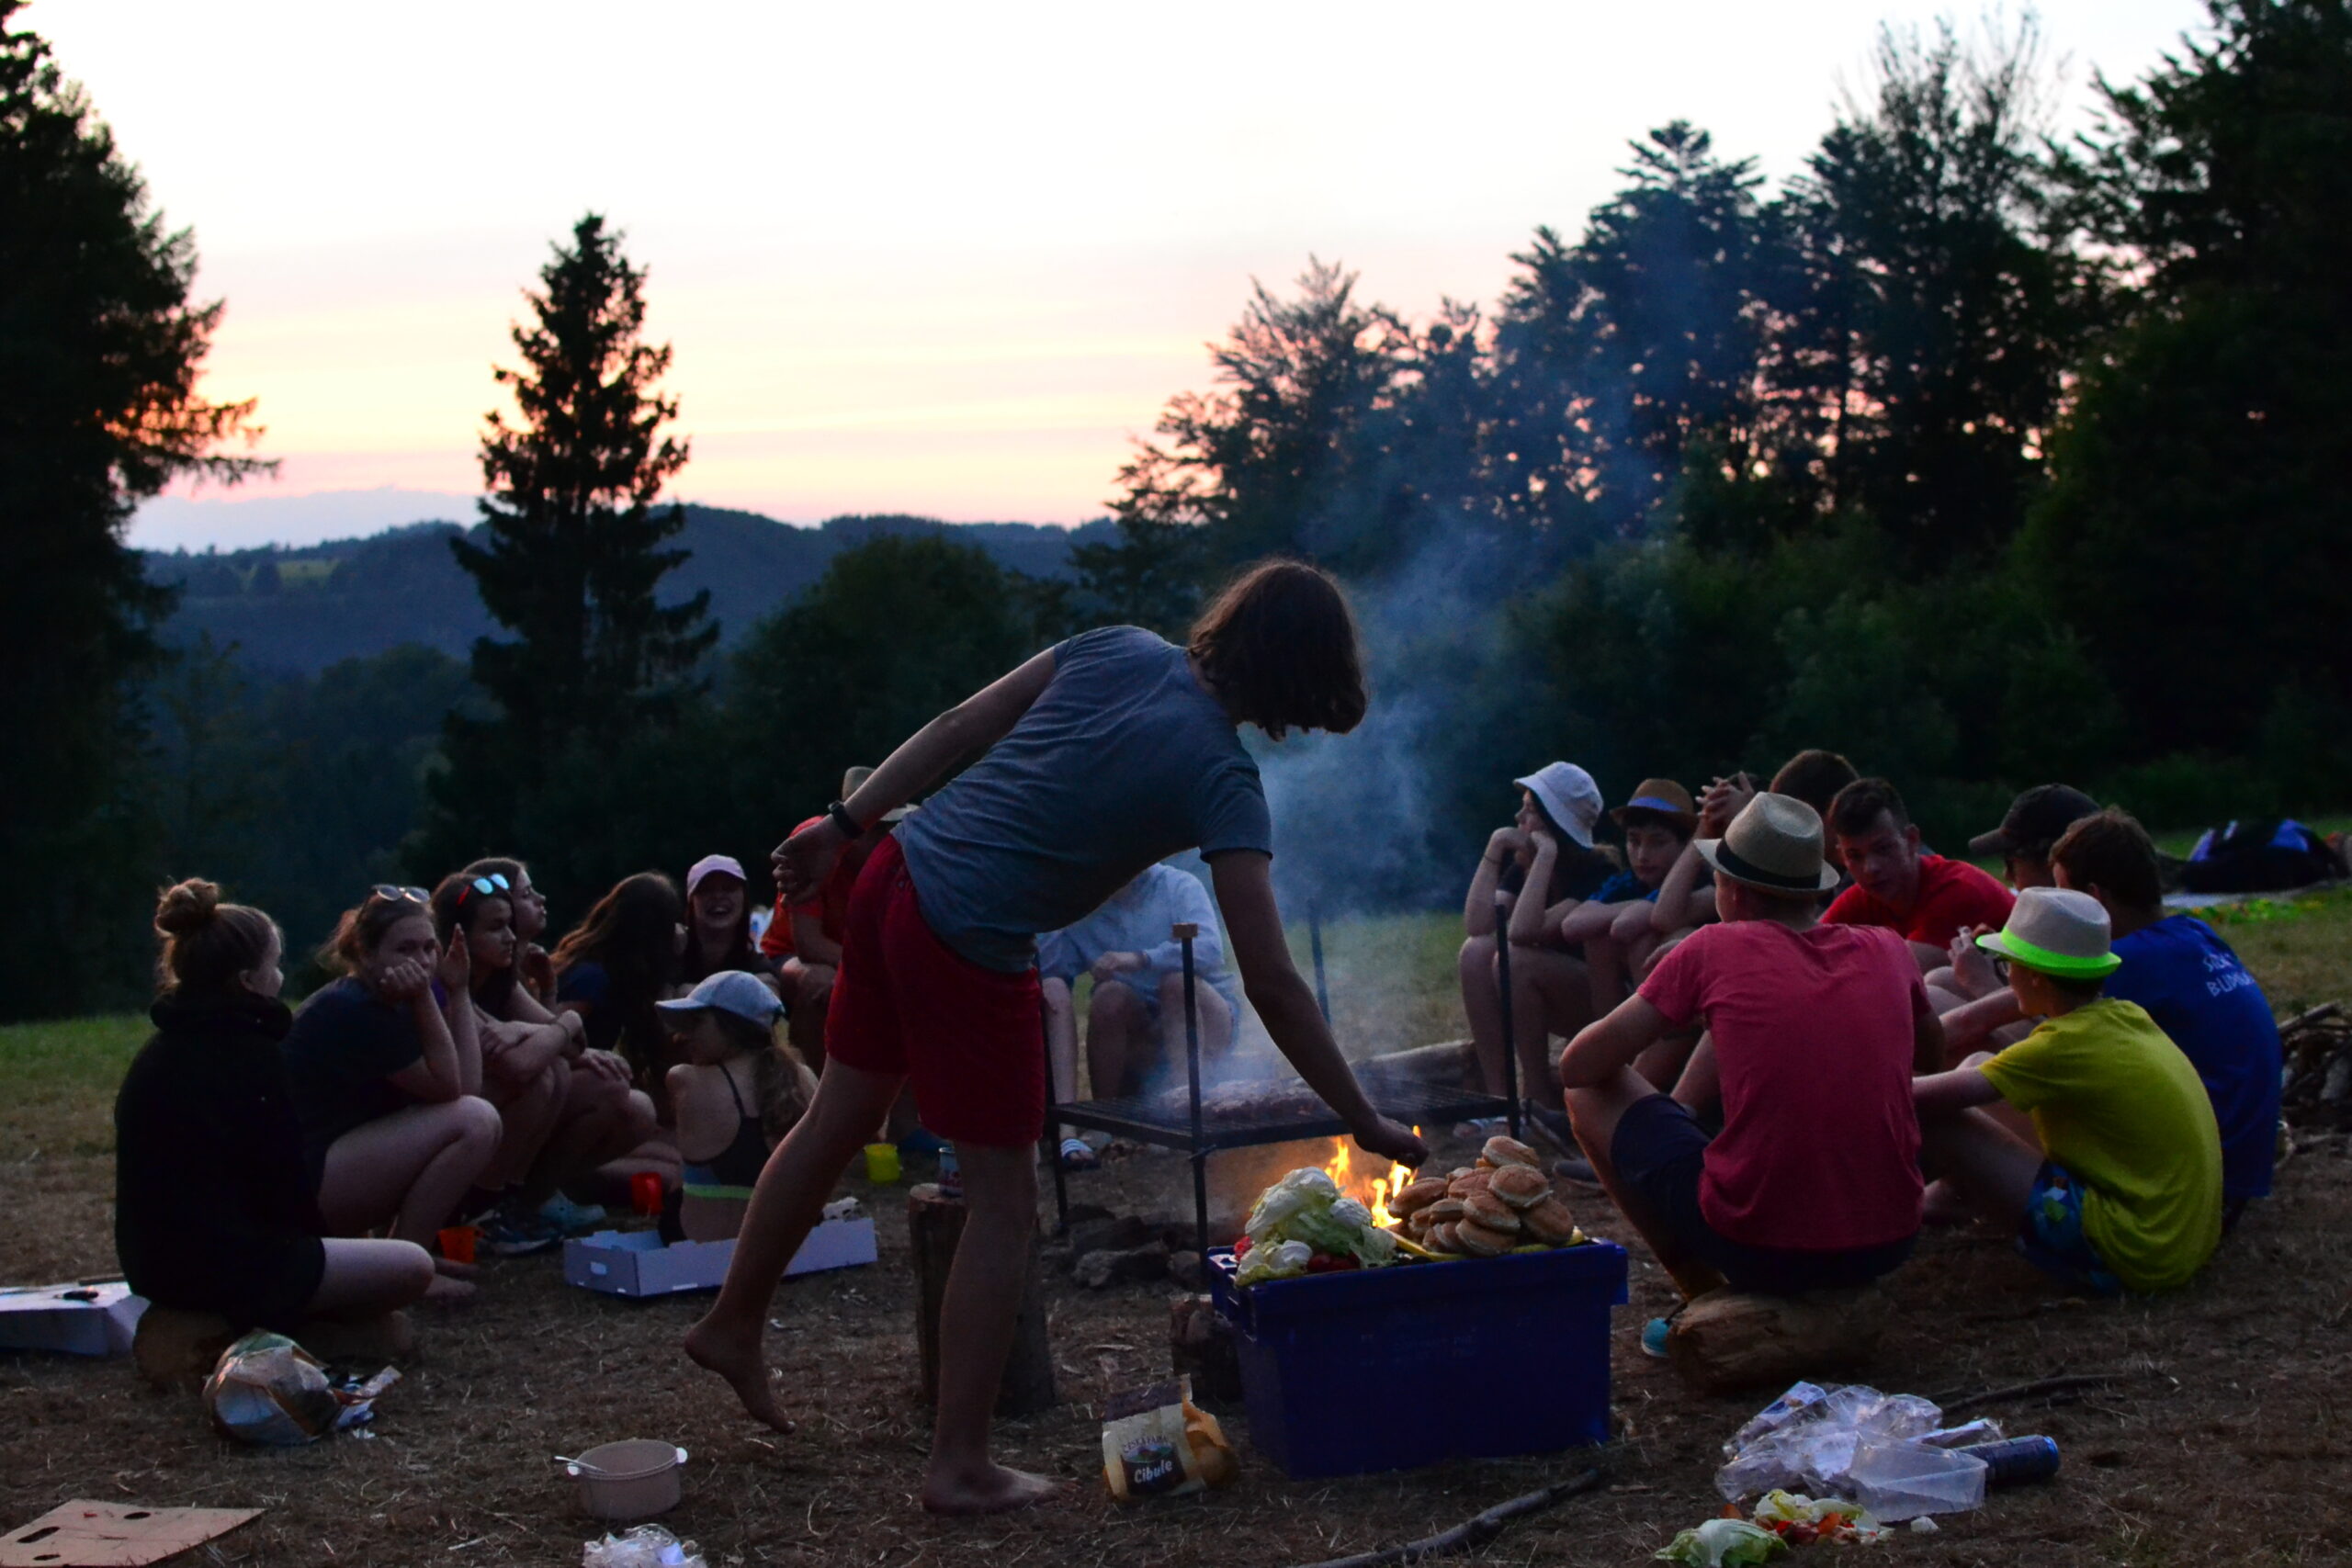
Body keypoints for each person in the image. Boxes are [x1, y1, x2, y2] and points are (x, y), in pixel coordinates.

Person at [684, 559, 1427, 1516]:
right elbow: (1274, 983)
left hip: (894, 872)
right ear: (1299, 676)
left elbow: (958, 726)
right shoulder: (1223, 775)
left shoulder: (1117, 646)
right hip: (966, 937)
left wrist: (844, 825)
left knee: (836, 1119)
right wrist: (1359, 1114)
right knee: (1005, 1206)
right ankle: (959, 1465)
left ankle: (733, 1321)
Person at [1559, 794, 1936, 1340]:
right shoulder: (1888, 949)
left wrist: (1672, 998)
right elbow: (1931, 1055)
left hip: (1761, 1245)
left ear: (1731, 890)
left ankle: (1700, 1291)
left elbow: (1578, 1066)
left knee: (1588, 1095)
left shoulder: (1711, 949)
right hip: (1891, 1238)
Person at [117, 880, 446, 1328]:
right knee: (410, 1266)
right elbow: (280, 1188)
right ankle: (283, 1329)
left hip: (154, 1268)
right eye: (274, 965)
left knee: (365, 1268)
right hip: (231, 1265)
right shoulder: (250, 1058)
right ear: (247, 981)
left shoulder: (158, 1053)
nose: (281, 978)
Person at [1912, 886, 2223, 1295]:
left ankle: (1875, 1217)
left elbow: (1919, 1097)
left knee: (1941, 1119)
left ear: (2034, 975)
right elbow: (1975, 1038)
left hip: (2133, 1254)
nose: (2006, 975)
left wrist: (1847, 1076)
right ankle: (1946, 1198)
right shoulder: (2122, 1015)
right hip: (2175, 1241)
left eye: (2007, 965)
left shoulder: (2059, 1048)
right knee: (1975, 1065)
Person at [2051, 809, 2281, 1226]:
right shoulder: (2195, 935)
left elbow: (2027, 1031)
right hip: (2235, 1172)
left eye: (2063, 898)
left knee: (2008, 1067)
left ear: (2094, 899)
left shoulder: (2126, 960)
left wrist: (1979, 981)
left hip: (2195, 1186)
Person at [280, 887, 505, 1261]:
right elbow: (452, 1089)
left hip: (325, 1173)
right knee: (475, 1121)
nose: (422, 961)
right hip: (302, 1186)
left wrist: (458, 990)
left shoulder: (390, 1000)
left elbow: (468, 1086)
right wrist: (426, 997)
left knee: (478, 1116)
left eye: (429, 948)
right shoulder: (354, 1007)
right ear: (367, 955)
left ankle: (405, 1260)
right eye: (405, 949)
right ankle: (405, 1262)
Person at [433, 870, 657, 1235]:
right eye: (496, 928)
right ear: (459, 936)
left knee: (603, 1087)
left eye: (509, 926)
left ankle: (527, 1200)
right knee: (547, 1078)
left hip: (485, 1113)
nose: (509, 937)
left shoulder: (500, 980)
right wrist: (564, 1023)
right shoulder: (446, 986)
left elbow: (572, 1044)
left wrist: (543, 1012)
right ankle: (481, 1210)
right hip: (445, 1119)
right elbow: (519, 1065)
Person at [1039, 862, 1239, 1169]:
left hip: (1204, 1020)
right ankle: (1105, 1119)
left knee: (1175, 984)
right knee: (1109, 995)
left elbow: (1210, 950)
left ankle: (1186, 1115)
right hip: (1142, 1034)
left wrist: (1143, 959)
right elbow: (1051, 968)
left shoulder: (1178, 886)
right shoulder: (1085, 905)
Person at [1459, 761, 1614, 1120]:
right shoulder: (1526, 867)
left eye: (1528, 811)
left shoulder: (1596, 871)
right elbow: (1478, 925)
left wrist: (1545, 855)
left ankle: (1539, 1095)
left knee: (1515, 960)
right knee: (1475, 953)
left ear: (1552, 822)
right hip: (1553, 996)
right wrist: (1495, 848)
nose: (1518, 818)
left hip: (1601, 1009)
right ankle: (1501, 1102)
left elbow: (1522, 932)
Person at [761, 767, 914, 1066]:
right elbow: (808, 945)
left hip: (857, 958)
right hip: (789, 957)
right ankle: (808, 1080)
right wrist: (881, 970)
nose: (887, 837)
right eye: (878, 828)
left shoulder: (898, 857)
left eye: (892, 826)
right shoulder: (813, 842)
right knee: (821, 982)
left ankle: (895, 1088)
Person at [1928, 784, 2102, 1047]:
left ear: (2054, 864)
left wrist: (1981, 981)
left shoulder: (2097, 940)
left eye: (2011, 861)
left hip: (2077, 1055)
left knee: (1945, 1014)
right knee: (1941, 978)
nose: (2007, 874)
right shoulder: (2091, 925)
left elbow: (2067, 1039)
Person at [659, 972, 818, 1243]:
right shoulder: (804, 1076)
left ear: (731, 1026)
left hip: (700, 1239)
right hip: (795, 1238)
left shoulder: (685, 1079)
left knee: (682, 1175)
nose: (682, 1036)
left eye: (696, 1022)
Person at [1824, 777, 2014, 969]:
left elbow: (1898, 974)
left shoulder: (1957, 891)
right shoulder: (1864, 897)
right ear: (1842, 856)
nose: (1870, 868)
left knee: (1937, 982)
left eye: (1883, 849)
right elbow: (1809, 948)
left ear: (1912, 839)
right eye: (1854, 856)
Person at [1563, 779, 1700, 1040]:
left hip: (1691, 1020)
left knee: (1641, 938)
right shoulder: (1629, 883)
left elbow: (1626, 926)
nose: (1642, 855)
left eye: (1657, 842)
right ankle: (1610, 1045)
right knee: (1597, 938)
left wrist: (1638, 910)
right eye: (1634, 841)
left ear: (1685, 845)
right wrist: (1641, 905)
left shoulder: (1698, 881)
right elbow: (1573, 925)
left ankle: (1647, 1050)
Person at [681, 854, 781, 995]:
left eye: (728, 889)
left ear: (744, 898)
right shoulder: (671, 957)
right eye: (706, 890)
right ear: (691, 901)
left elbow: (769, 1001)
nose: (718, 896)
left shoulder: (759, 967)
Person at [463, 856, 555, 1004]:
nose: (541, 898)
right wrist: (549, 991)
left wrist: (547, 986)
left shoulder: (518, 975)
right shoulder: (489, 980)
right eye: (526, 894)